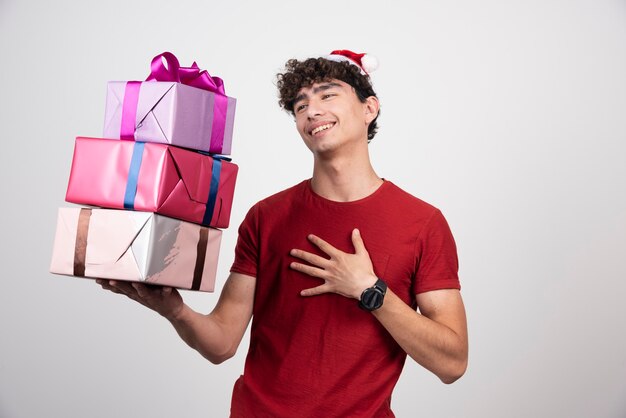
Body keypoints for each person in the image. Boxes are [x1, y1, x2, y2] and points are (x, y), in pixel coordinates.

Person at [97, 49, 468, 417]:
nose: (312, 110)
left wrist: (370, 291)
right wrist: (175, 311)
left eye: (327, 94)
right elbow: (222, 343)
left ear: (369, 108)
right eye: (300, 105)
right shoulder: (266, 217)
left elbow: (452, 364)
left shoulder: (422, 223)